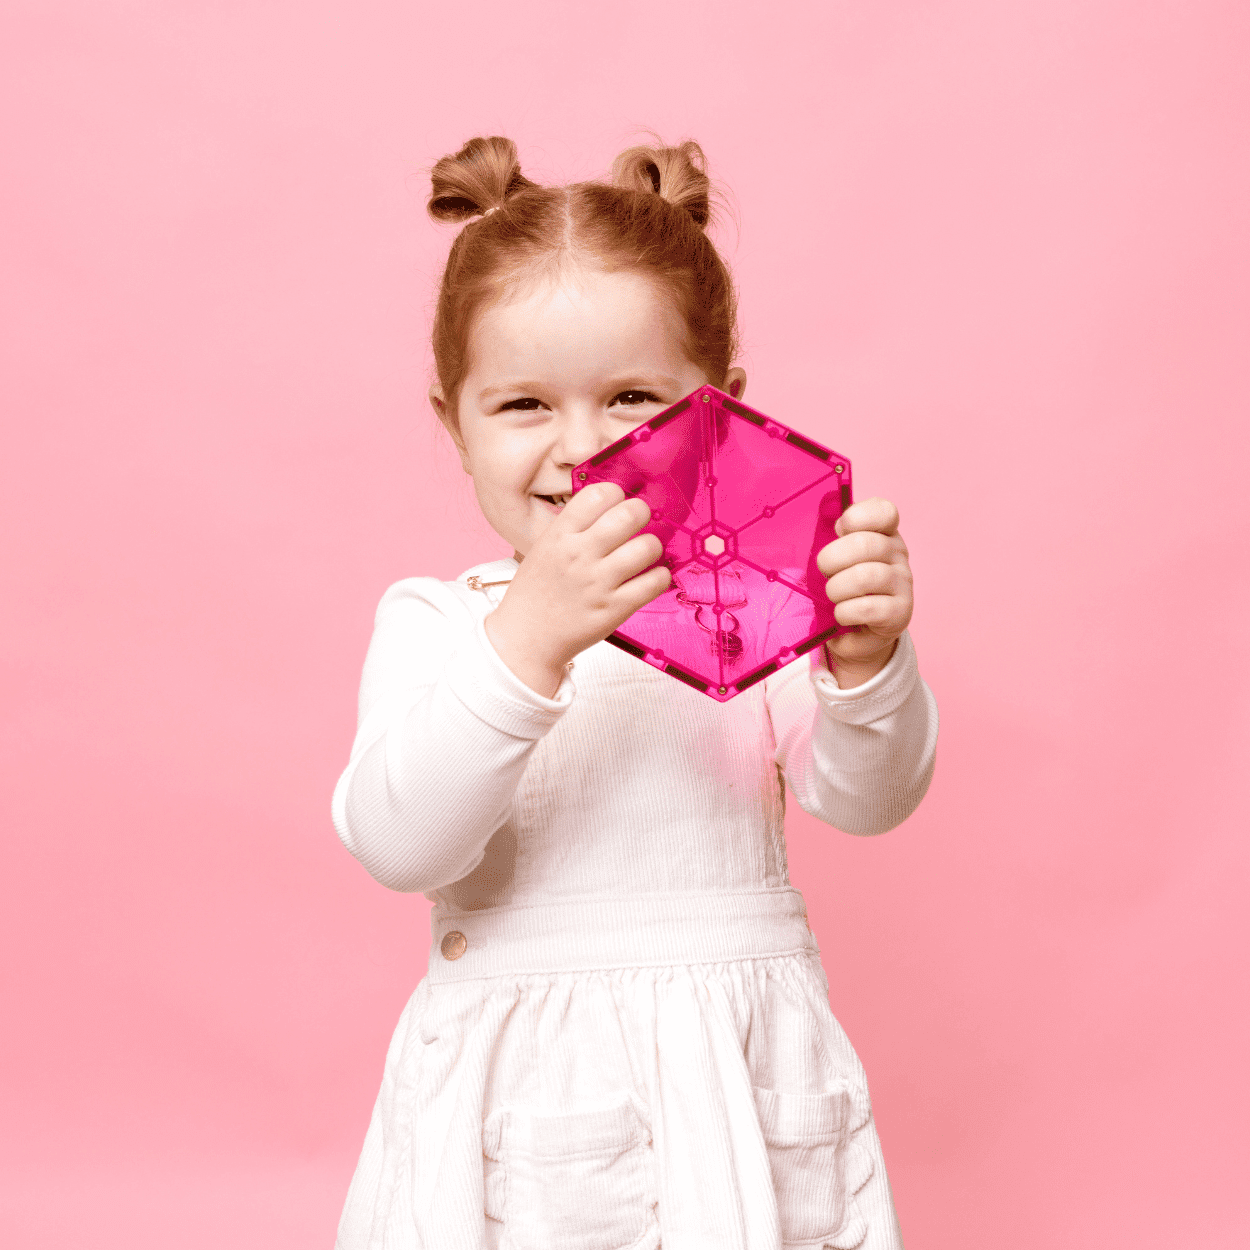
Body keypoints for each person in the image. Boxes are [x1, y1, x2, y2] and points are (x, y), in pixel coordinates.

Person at [331, 135, 938, 1250]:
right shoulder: (443, 622)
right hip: (522, 1111)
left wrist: (865, 663)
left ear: (724, 413)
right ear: (451, 425)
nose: (584, 449)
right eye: (522, 403)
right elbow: (398, 841)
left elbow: (864, 797)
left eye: (630, 396)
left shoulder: (754, 602)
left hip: (741, 1090)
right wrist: (528, 640)